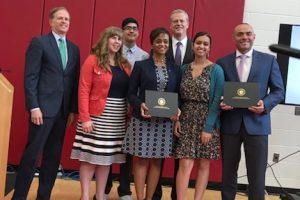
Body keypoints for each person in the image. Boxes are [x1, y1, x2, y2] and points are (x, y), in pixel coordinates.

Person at [12, 7, 80, 200]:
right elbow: (30, 77)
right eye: (60, 18)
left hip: (62, 113)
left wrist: (73, 110)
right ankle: (19, 196)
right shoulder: (39, 43)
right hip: (41, 110)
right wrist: (33, 106)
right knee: (32, 156)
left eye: (67, 19)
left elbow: (74, 80)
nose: (64, 22)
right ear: (51, 21)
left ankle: (44, 196)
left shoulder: (74, 49)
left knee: (52, 159)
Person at [216, 23, 284, 200]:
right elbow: (217, 91)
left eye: (248, 34)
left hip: (258, 123)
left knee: (257, 172)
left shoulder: (269, 61)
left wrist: (265, 105)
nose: (244, 37)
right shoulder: (222, 62)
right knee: (228, 170)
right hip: (230, 124)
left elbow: (279, 91)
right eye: (240, 34)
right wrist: (221, 102)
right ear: (234, 38)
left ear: (254, 37)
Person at [70, 26, 131, 200]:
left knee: (107, 159)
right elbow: (83, 90)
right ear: (105, 39)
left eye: (119, 39)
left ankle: (100, 195)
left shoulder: (125, 64)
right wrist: (85, 118)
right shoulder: (93, 60)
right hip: (96, 116)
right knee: (90, 158)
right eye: (113, 38)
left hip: (117, 118)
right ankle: (85, 196)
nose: (117, 42)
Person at [122, 27, 181, 200]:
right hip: (143, 120)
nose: (162, 44)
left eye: (165, 41)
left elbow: (177, 95)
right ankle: (140, 198)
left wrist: (176, 109)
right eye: (158, 41)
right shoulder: (141, 66)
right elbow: (131, 93)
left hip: (164, 123)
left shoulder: (175, 68)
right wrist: (140, 104)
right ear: (152, 43)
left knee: (157, 160)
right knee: (141, 160)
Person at [174, 32, 224, 200]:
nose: (201, 46)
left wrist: (208, 128)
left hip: (207, 120)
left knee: (203, 163)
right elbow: (178, 97)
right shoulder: (184, 69)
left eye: (205, 44)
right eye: (198, 43)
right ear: (193, 45)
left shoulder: (216, 70)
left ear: (209, 48)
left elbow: (217, 100)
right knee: (184, 163)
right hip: (186, 119)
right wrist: (178, 119)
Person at [104, 17, 149, 200]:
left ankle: (124, 190)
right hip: (112, 107)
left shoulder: (145, 56)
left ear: (138, 32)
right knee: (107, 149)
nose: (131, 31)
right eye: (127, 28)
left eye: (134, 28)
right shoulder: (112, 51)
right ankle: (104, 188)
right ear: (122, 32)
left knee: (127, 150)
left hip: (134, 109)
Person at [154, 9, 194, 200]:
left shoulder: (197, 47)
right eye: (175, 21)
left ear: (187, 24)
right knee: (158, 155)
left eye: (182, 21)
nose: (178, 24)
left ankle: (176, 197)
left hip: (187, 110)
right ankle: (155, 194)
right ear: (170, 25)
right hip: (161, 107)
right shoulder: (162, 46)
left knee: (182, 156)